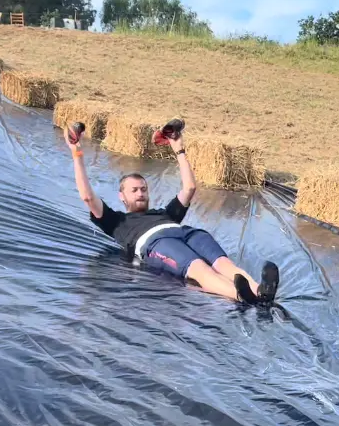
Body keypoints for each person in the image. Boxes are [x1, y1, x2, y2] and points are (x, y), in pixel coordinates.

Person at [67, 125, 280, 305]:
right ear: (121, 196)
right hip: (155, 243)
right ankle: (241, 296)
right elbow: (87, 197)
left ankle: (261, 291)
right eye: (134, 190)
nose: (140, 193)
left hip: (186, 233)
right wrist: (76, 152)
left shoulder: (165, 213)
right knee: (200, 269)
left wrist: (179, 149)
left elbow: (189, 188)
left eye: (143, 188)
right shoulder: (116, 222)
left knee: (224, 265)